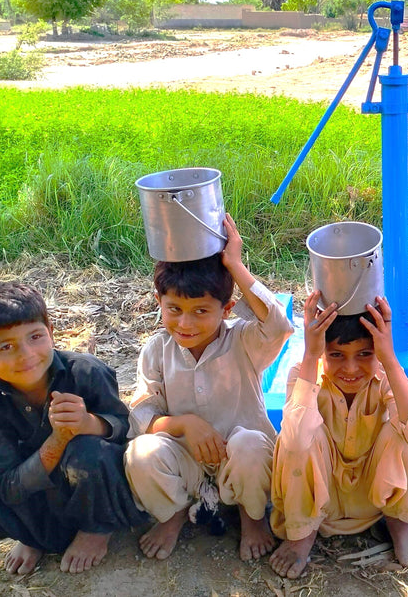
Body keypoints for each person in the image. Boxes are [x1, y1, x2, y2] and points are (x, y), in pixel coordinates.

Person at [0, 282, 148, 575]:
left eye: (35, 336)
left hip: (95, 489)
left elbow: (124, 430)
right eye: (6, 346)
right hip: (40, 498)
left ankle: (96, 529)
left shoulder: (86, 371)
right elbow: (7, 486)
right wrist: (57, 440)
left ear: (51, 332)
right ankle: (33, 536)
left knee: (88, 449)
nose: (26, 354)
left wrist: (88, 423)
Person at [124, 213, 293, 562]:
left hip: (241, 460)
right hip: (185, 461)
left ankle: (252, 516)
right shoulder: (157, 350)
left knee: (248, 442)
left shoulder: (244, 340)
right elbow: (143, 415)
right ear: (159, 303)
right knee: (141, 453)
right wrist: (183, 424)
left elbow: (277, 325)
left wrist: (234, 264)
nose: (185, 323)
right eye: (175, 309)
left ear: (227, 308)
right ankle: (172, 516)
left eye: (201, 310)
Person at [268, 291, 408, 578]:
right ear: (322, 351)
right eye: (336, 355)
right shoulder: (304, 374)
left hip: (374, 499)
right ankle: (301, 534)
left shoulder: (385, 377)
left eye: (365, 354)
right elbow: (294, 442)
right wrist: (311, 354)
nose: (351, 368)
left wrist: (389, 358)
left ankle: (400, 522)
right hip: (320, 498)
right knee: (298, 432)